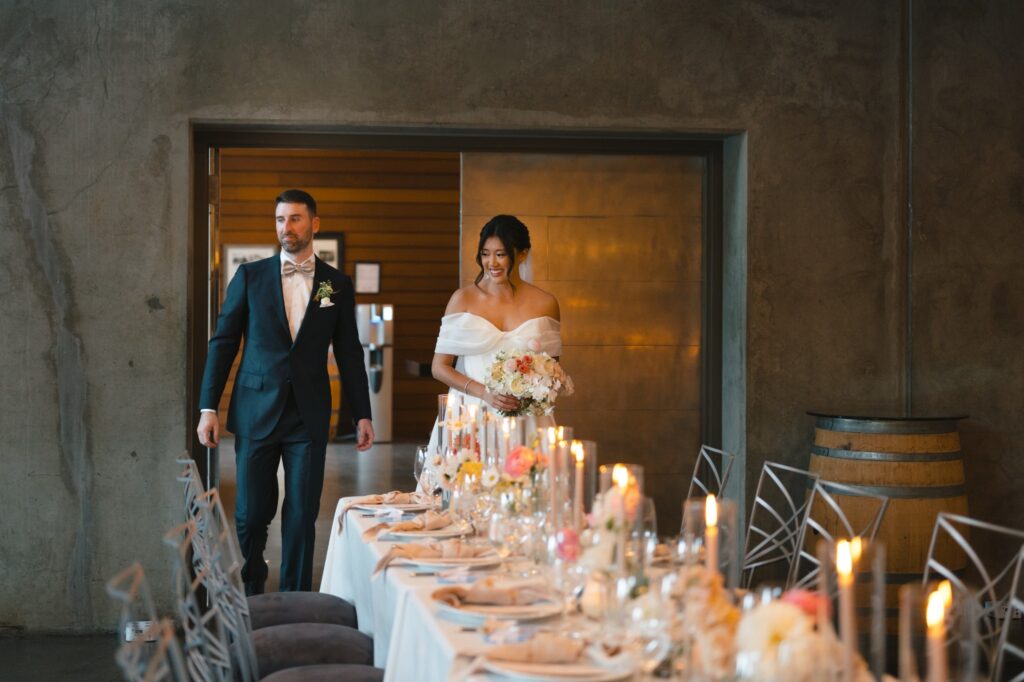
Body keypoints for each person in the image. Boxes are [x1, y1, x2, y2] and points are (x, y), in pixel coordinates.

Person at [197, 189, 373, 594]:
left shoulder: (335, 284)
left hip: (307, 415)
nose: (286, 228)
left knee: (301, 514)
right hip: (256, 408)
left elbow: (349, 352)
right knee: (249, 513)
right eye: (279, 219)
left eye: (294, 219)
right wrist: (209, 406)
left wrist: (361, 413)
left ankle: (296, 598)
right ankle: (253, 584)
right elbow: (223, 343)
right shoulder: (250, 277)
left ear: (314, 223)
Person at [429, 215, 562, 451]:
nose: (492, 262)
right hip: (470, 414)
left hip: (525, 419)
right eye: (485, 253)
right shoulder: (463, 299)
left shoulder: (546, 303)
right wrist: (485, 393)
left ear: (522, 254)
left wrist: (530, 392)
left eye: (500, 254)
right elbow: (439, 367)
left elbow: (551, 369)